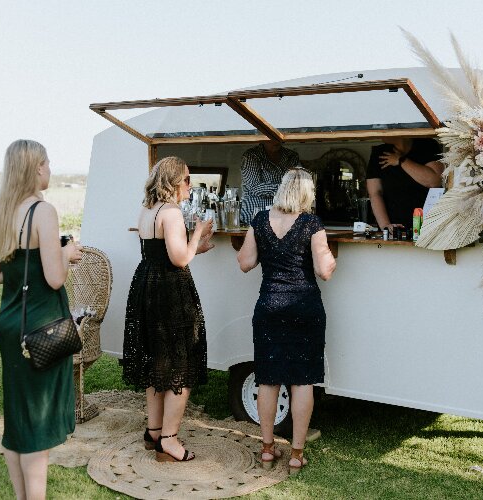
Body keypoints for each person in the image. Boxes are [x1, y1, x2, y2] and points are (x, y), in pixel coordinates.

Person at [0, 139, 83, 499]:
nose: (51, 169)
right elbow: (55, 278)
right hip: (42, 329)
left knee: (17, 424)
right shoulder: (42, 210)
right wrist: (67, 252)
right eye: (48, 163)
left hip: (10, 326)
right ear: (36, 168)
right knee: (36, 427)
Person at [237, 168, 336, 474]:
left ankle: (267, 450)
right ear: (308, 193)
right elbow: (325, 270)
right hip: (304, 307)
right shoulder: (311, 223)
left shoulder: (259, 221)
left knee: (268, 378)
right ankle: (295, 454)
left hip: (268, 306)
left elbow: (245, 263)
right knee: (302, 380)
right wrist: (332, 255)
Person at [123, 156, 213, 462]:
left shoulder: (148, 209)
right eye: (188, 179)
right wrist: (198, 232)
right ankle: (170, 440)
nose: (191, 185)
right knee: (180, 363)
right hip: (170, 293)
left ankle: (154, 431)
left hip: (147, 285)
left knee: (156, 359)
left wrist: (195, 248)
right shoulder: (172, 212)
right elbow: (178, 260)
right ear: (175, 182)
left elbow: (164, 254)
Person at [366, 137, 444, 232]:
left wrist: (401, 160)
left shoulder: (426, 144)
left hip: (429, 225)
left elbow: (435, 181)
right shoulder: (379, 152)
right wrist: (385, 226)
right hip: (394, 227)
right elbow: (374, 193)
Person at [239, 141, 300, 224]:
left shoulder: (291, 155)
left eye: (276, 137)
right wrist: (286, 188)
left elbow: (299, 182)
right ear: (263, 138)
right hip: (255, 215)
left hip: (284, 215)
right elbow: (255, 187)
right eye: (270, 137)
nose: (275, 140)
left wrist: (294, 187)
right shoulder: (252, 155)